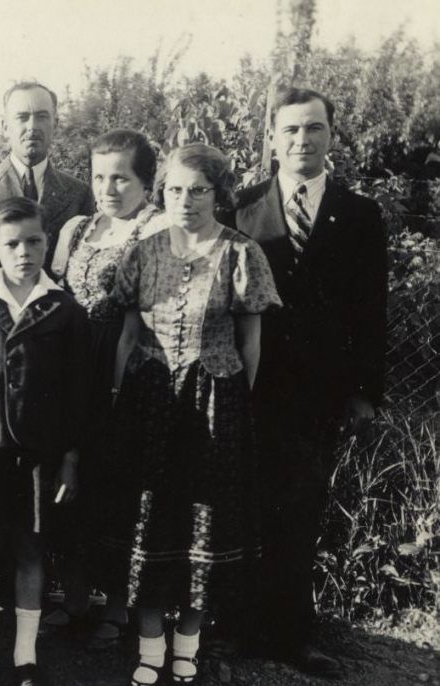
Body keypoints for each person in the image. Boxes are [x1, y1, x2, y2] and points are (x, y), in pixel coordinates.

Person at [225, 87, 387, 677]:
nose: (302, 140)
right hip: (247, 382)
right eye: (291, 129)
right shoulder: (241, 209)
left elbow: (371, 309)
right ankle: (235, 627)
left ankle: (292, 634)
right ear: (272, 137)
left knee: (300, 507)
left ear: (330, 136)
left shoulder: (360, 214)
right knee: (242, 502)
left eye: (314, 128)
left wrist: (364, 391)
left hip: (317, 392)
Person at [112, 144, 281, 685]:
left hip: (215, 403)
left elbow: (251, 342)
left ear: (219, 194)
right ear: (162, 192)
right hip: (150, 402)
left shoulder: (241, 253)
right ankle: (150, 648)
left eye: (199, 190)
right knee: (150, 519)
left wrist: (233, 404)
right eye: (175, 190)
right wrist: (118, 394)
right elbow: (128, 334)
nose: (186, 200)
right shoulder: (143, 251)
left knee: (203, 524)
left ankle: (188, 644)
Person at [0, 197, 89, 686]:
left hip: (39, 453)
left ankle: (25, 656)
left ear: (47, 242)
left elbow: (79, 391)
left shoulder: (65, 308)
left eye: (34, 241)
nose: (24, 252)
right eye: (11, 244)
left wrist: (70, 458)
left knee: (31, 550)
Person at [46, 129, 163, 645]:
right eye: (99, 177)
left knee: (118, 485)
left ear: (146, 182)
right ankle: (73, 599)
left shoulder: (157, 228)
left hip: (128, 364)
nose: (107, 188)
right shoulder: (76, 229)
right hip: (74, 361)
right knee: (68, 479)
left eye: (121, 178)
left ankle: (116, 607)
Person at [0, 80, 93, 264]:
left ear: (55, 124)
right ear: (5, 126)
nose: (32, 126)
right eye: (22, 117)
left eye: (42, 116)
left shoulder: (79, 193)